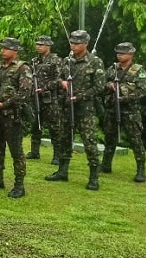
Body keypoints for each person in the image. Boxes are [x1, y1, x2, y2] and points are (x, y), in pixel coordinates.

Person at [45, 29, 105, 190]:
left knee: (89, 142)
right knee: (64, 138)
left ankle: (94, 177)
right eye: (71, 42)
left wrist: (79, 96)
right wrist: (62, 83)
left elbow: (99, 86)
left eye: (77, 43)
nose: (73, 45)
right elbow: (57, 78)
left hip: (85, 109)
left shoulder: (94, 62)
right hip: (66, 107)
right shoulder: (67, 61)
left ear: (85, 44)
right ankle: (62, 171)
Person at [0, 38, 33, 198]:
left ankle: (19, 185)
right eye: (2, 48)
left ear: (15, 51)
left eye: (6, 48)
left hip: (12, 116)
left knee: (16, 151)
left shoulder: (22, 68)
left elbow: (25, 93)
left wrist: (6, 104)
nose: (2, 51)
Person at [102, 42, 146, 182]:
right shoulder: (113, 69)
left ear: (130, 54)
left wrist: (124, 96)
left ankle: (141, 170)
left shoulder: (138, 70)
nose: (119, 55)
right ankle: (106, 164)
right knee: (109, 138)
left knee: (135, 140)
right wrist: (110, 86)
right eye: (118, 52)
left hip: (130, 111)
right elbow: (101, 84)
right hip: (112, 108)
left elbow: (143, 90)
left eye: (122, 53)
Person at [29, 35, 67, 165]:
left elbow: (59, 80)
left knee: (55, 127)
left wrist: (44, 88)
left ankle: (57, 155)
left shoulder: (56, 60)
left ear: (48, 46)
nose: (38, 47)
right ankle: (34, 151)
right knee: (35, 124)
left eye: (41, 45)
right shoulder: (34, 61)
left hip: (51, 99)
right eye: (37, 44)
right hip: (36, 97)